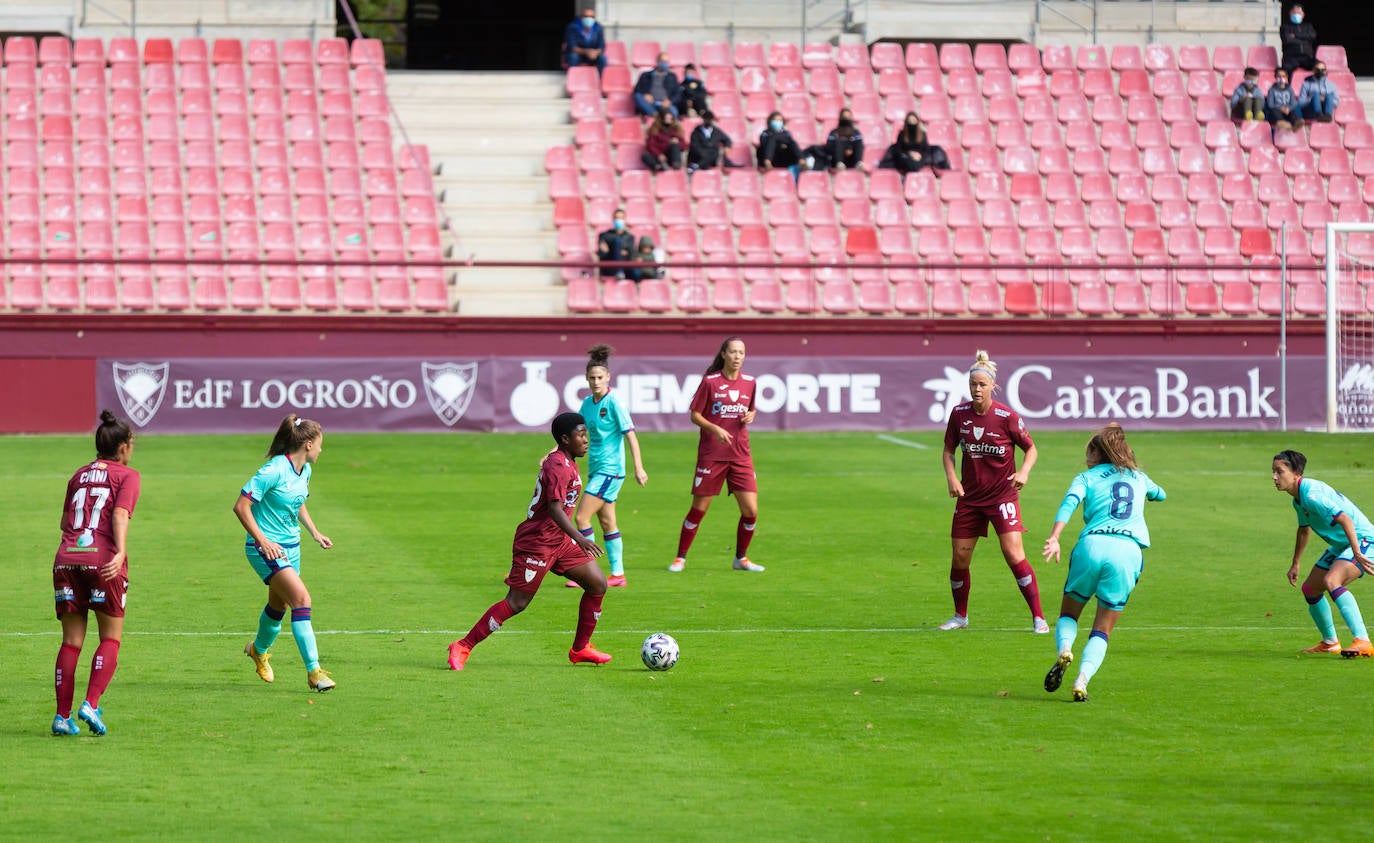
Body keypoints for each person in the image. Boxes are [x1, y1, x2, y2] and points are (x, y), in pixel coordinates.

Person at [448, 413, 610, 670]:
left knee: (597, 584)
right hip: (537, 542)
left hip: (559, 540)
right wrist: (580, 537)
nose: (586, 440)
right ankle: (463, 645)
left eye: (585, 434)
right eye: (580, 435)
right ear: (566, 439)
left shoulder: (567, 459)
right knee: (517, 603)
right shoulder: (557, 466)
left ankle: (580, 648)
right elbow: (555, 509)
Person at [1041, 424, 1166, 703]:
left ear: (1097, 454)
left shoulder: (1085, 477)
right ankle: (1082, 681)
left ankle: (1064, 650)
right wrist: (1149, 492)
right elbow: (1162, 494)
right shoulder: (1138, 476)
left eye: (1088, 451)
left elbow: (1068, 504)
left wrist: (1055, 537)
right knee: (1102, 629)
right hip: (1128, 552)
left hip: (1092, 546)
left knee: (1069, 615)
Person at [939, 350, 1046, 633]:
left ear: (992, 386)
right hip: (969, 498)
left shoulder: (1006, 417)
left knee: (1014, 554)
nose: (976, 389)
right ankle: (960, 616)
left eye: (982, 385)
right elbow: (949, 450)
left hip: (1002, 497)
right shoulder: (959, 414)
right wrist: (952, 478)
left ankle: (1038, 618)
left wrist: (1024, 472)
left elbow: (1031, 448)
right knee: (960, 557)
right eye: (973, 384)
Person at [50, 410, 140, 736]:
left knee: (71, 642)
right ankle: (90, 703)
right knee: (110, 638)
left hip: (66, 560)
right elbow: (119, 514)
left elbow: (64, 522)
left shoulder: (77, 475)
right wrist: (121, 550)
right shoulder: (127, 476)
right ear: (124, 447)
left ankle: (62, 717)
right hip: (102, 562)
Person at [236, 414, 336, 692]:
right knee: (302, 600)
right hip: (265, 549)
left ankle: (258, 650)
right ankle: (314, 672)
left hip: (292, 548)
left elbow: (297, 501)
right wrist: (263, 541)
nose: (321, 449)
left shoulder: (304, 471)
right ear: (306, 444)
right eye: (319, 444)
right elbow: (241, 506)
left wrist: (315, 532)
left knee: (278, 607)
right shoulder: (273, 470)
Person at [670, 336, 764, 573]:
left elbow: (750, 409)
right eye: (733, 352)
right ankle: (680, 557)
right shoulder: (710, 382)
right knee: (700, 508)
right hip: (712, 455)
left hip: (741, 454)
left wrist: (751, 415)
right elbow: (695, 415)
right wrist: (715, 428)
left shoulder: (751, 382)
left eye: (741, 353)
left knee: (751, 511)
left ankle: (740, 559)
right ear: (723, 354)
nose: (737, 357)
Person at [1271, 449, 1374, 658]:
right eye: (1273, 471)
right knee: (1310, 589)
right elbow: (1303, 529)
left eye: (1279, 471)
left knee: (1332, 580)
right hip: (1342, 544)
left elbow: (1345, 519)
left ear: (1296, 473)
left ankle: (1363, 640)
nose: (1274, 477)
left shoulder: (1311, 495)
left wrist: (1356, 551)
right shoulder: (1298, 499)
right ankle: (1330, 642)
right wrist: (1295, 563)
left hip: (1363, 540)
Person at [565, 345, 648, 589]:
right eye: (592, 378)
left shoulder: (615, 403)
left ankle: (587, 573)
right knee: (607, 523)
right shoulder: (588, 404)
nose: (596, 382)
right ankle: (618, 574)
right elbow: (574, 432)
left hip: (611, 471)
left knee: (581, 517)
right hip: (596, 470)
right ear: (586, 379)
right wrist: (553, 453)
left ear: (608, 377)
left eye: (600, 377)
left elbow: (630, 436)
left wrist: (639, 468)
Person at [881, 112, 950, 175]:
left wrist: (919, 155)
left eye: (913, 121)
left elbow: (926, 149)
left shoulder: (922, 134)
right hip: (905, 156)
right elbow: (898, 149)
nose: (911, 123)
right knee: (909, 162)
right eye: (909, 121)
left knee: (915, 163)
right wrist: (910, 154)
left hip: (920, 157)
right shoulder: (902, 134)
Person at [633, 51, 680, 118]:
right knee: (637, 96)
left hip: (665, 104)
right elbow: (637, 89)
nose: (664, 63)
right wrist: (645, 94)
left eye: (666, 62)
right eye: (662, 61)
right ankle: (655, 115)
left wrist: (670, 101)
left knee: (674, 112)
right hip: (650, 104)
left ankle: (661, 115)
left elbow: (678, 93)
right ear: (657, 61)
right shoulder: (645, 75)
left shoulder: (672, 77)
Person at [756, 112, 801, 177]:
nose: (777, 122)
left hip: (783, 158)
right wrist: (779, 144)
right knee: (772, 139)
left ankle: (802, 161)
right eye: (775, 120)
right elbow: (765, 145)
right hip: (771, 158)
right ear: (770, 121)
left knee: (792, 143)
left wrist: (777, 144)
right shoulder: (765, 133)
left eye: (780, 120)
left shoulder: (787, 134)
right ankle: (767, 162)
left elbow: (789, 145)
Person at [597, 208, 638, 280]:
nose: (619, 220)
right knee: (617, 241)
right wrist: (620, 251)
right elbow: (602, 255)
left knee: (637, 272)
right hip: (610, 268)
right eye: (617, 218)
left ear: (625, 220)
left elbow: (630, 255)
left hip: (626, 268)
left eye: (621, 218)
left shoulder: (629, 237)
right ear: (613, 220)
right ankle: (619, 272)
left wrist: (612, 250)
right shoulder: (604, 236)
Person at [563, 7, 606, 74]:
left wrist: (595, 52)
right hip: (578, 55)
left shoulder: (598, 28)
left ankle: (601, 81)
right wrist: (587, 52)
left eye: (591, 17)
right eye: (586, 16)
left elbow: (601, 46)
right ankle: (574, 79)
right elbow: (572, 47)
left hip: (593, 55)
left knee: (602, 58)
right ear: (581, 17)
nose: (589, 19)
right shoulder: (572, 27)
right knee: (573, 57)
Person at [1280, 3, 1317, 76]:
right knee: (1285, 72)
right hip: (1291, 58)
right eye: (1294, 12)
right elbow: (1287, 40)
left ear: (1303, 14)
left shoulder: (1308, 26)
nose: (1296, 14)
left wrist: (1296, 36)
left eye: (1299, 13)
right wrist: (1305, 40)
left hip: (1307, 57)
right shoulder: (1285, 27)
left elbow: (1312, 36)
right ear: (1290, 14)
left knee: (1319, 67)